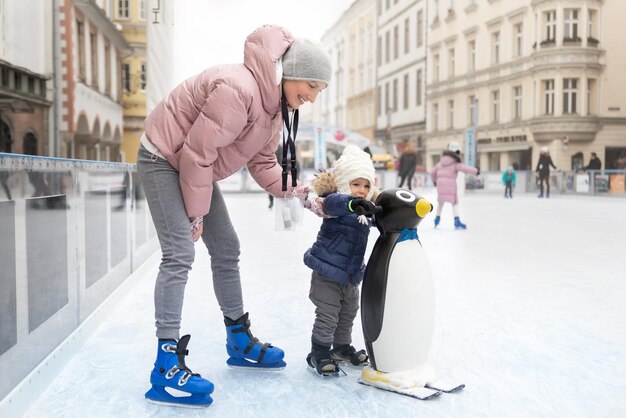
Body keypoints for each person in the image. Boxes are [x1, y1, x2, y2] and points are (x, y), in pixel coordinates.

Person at [136, 25, 332, 407]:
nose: (310, 97)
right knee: (180, 253)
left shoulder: (274, 111)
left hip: (193, 165)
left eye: (318, 92)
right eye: (310, 86)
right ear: (291, 73)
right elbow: (196, 152)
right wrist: (195, 216)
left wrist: (302, 195)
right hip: (163, 157)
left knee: (227, 247)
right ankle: (164, 365)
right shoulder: (238, 89)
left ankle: (238, 338)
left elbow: (262, 164)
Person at [302, 145, 381, 376]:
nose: (361, 191)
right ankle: (319, 352)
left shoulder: (365, 211)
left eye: (366, 186)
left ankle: (341, 348)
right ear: (345, 183)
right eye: (356, 184)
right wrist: (351, 203)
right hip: (327, 272)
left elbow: (381, 220)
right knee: (328, 314)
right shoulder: (335, 203)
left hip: (350, 275)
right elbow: (334, 203)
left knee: (348, 312)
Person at [430, 141, 478, 229]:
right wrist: (476, 171)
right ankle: (457, 221)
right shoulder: (455, 163)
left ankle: (437, 219)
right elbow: (465, 169)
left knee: (440, 203)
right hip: (451, 186)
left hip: (440, 186)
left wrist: (434, 182)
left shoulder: (440, 163)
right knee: (454, 203)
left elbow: (432, 172)